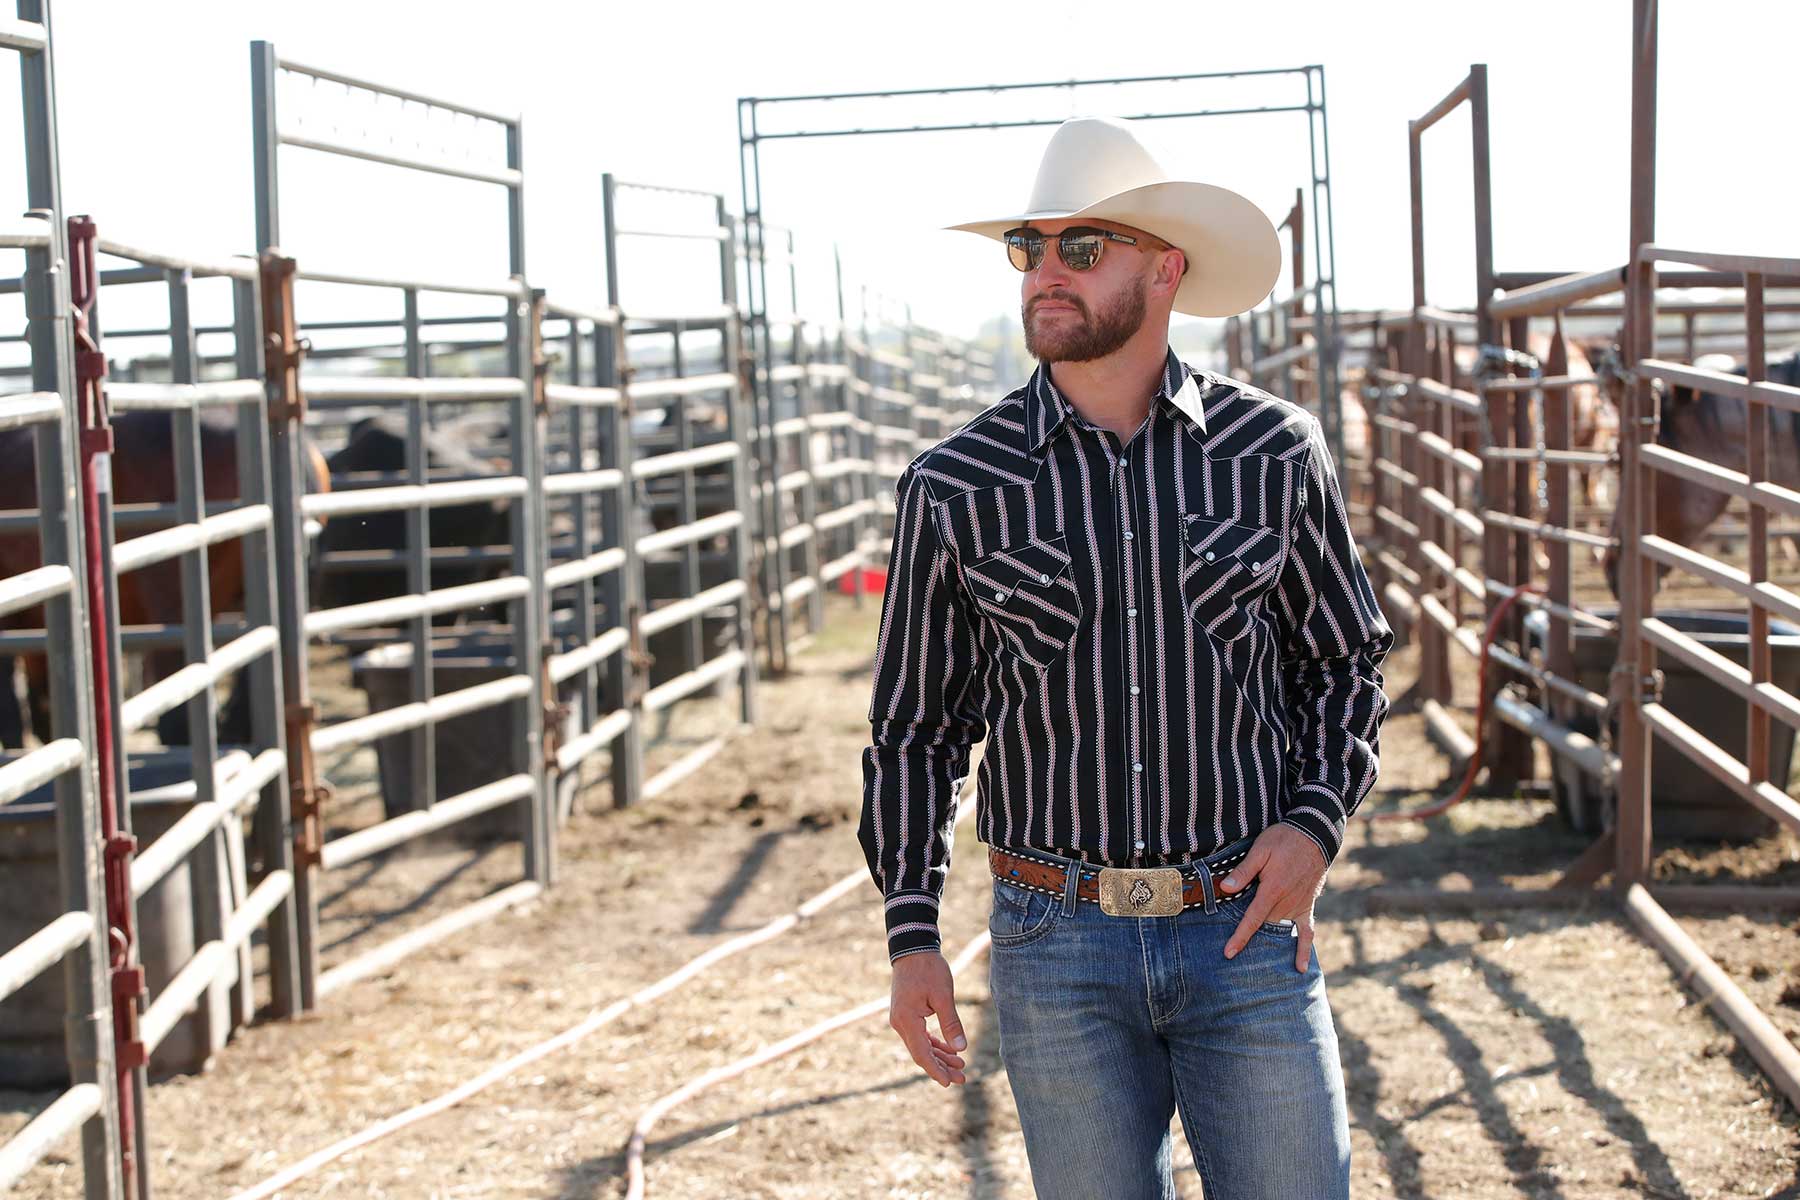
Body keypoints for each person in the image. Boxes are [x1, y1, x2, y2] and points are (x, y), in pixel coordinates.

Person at [857, 115, 1393, 1199]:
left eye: (1082, 248)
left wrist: (1313, 826)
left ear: (1165, 268)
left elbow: (1344, 662)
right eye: (1029, 248)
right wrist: (913, 933)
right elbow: (916, 733)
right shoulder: (955, 487)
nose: (1046, 273)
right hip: (1056, 944)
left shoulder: (1273, 452)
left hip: (1245, 925)